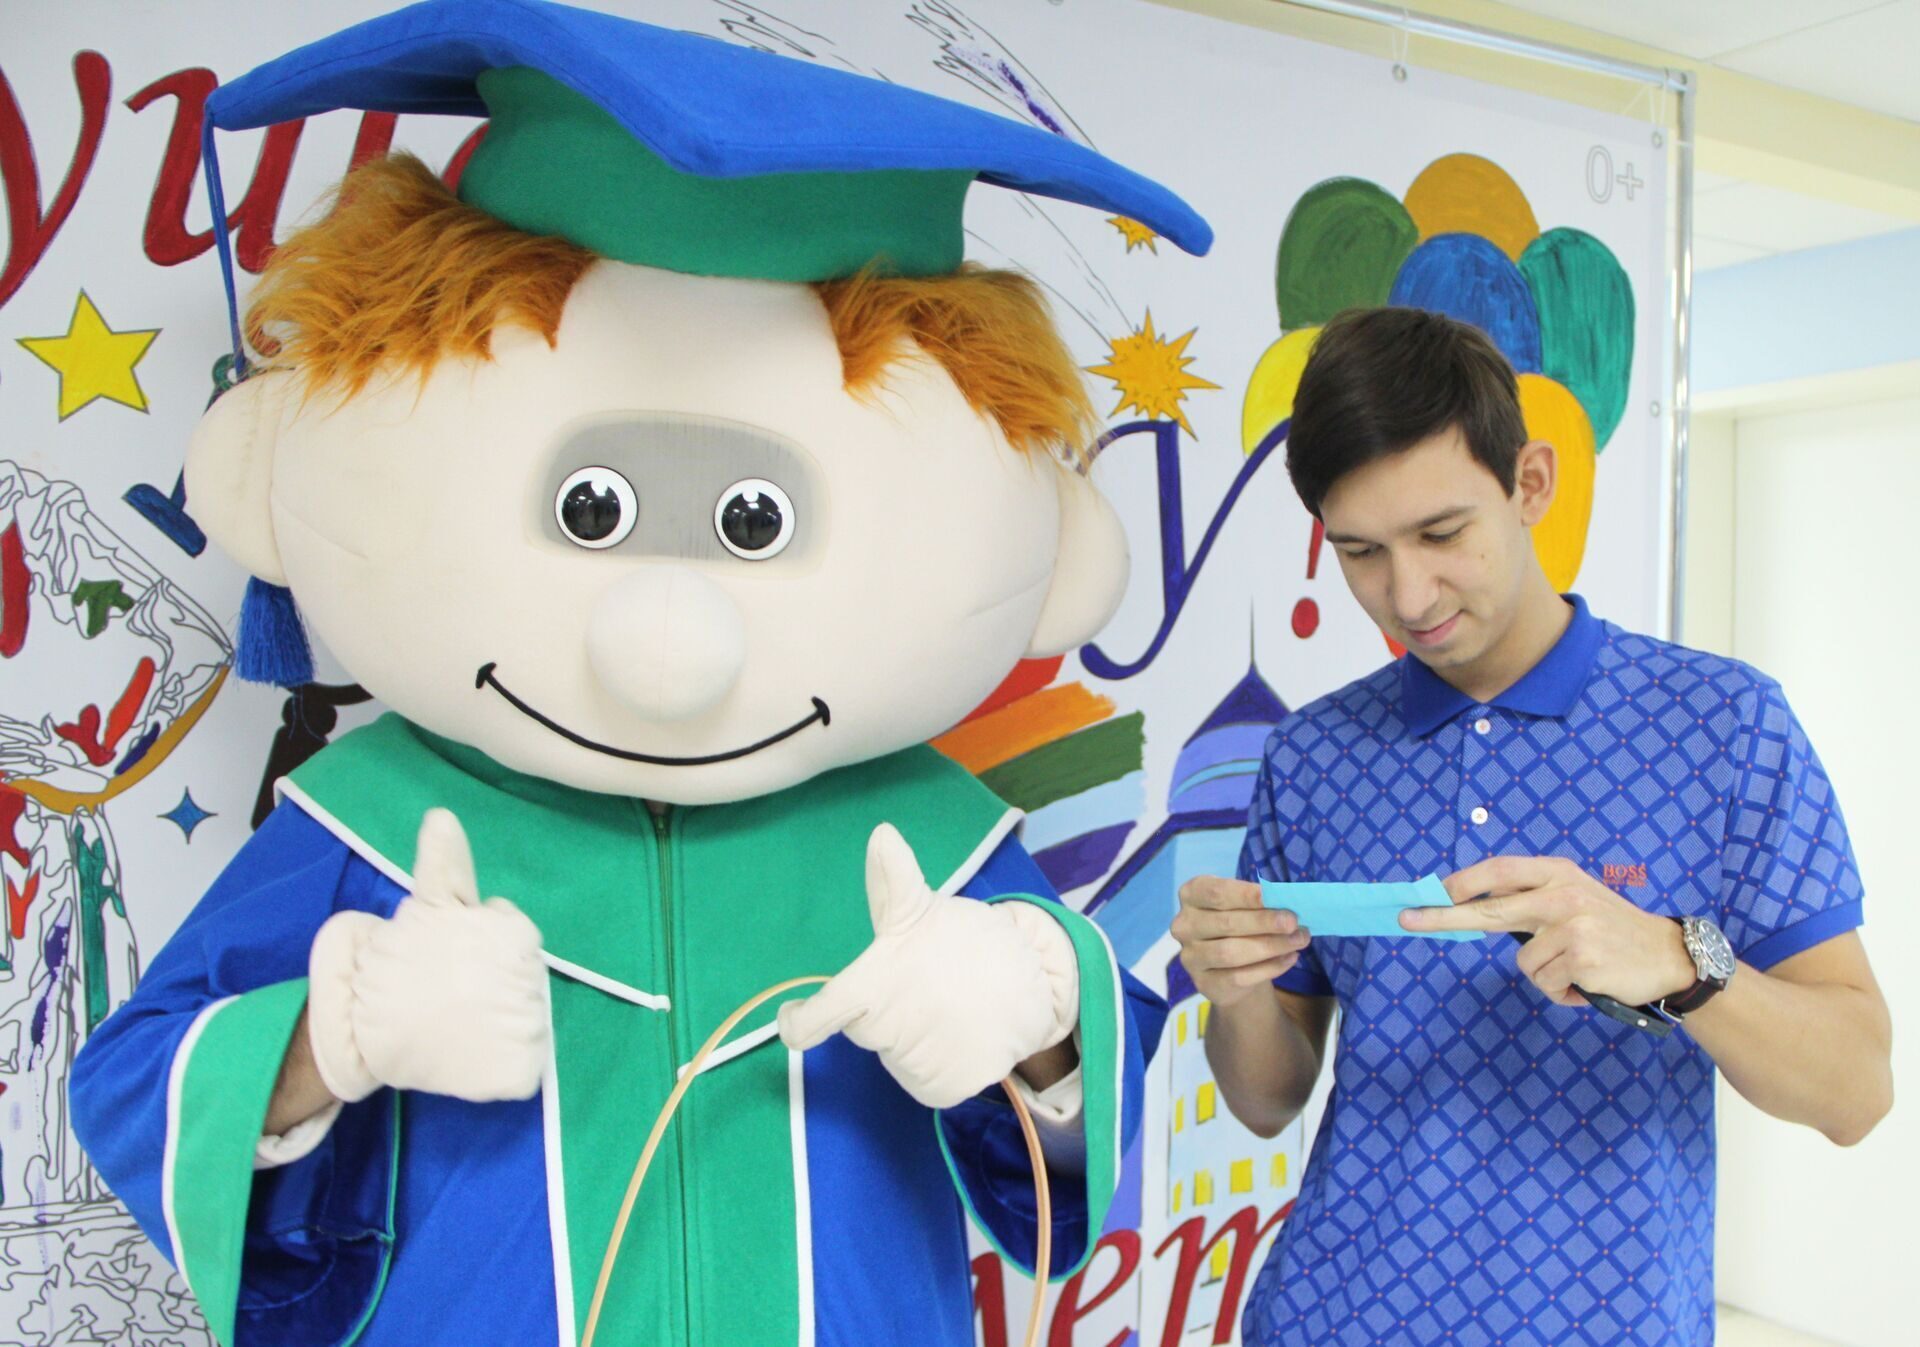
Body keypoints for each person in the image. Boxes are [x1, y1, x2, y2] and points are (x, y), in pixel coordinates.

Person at [66, 3, 1210, 1344]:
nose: (671, 639)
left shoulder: (929, 844)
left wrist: (1042, 1025)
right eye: (592, 510)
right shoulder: (373, 820)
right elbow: (135, 1087)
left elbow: (1073, 1176)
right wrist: (333, 1038)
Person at [1173, 306, 1893, 1346]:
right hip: (1329, 1316)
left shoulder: (1727, 724)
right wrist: (1236, 992)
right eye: (1362, 551)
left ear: (1531, 483)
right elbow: (1267, 1098)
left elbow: (1856, 1090)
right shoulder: (1312, 754)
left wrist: (1676, 962)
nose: (1407, 594)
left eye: (1442, 533)